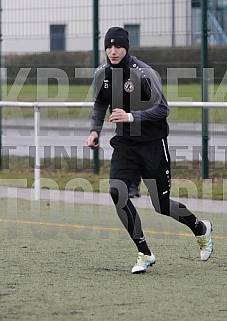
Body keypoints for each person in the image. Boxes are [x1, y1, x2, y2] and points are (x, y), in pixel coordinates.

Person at [86, 27, 213, 274]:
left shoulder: (143, 73)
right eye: (109, 47)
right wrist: (94, 131)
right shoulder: (102, 73)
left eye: (118, 46)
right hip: (124, 144)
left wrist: (132, 116)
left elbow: (162, 109)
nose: (113, 51)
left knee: (161, 204)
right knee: (117, 191)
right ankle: (144, 252)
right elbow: (101, 102)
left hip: (153, 145)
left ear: (127, 47)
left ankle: (200, 228)